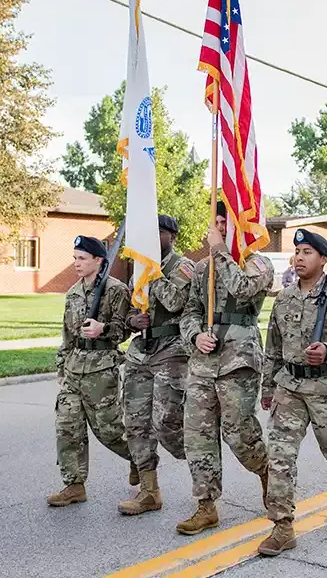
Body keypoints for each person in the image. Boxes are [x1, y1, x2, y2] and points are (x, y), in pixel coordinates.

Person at [258, 229, 327, 556]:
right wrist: (268, 387)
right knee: (279, 457)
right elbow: (273, 349)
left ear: (323, 259)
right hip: (289, 387)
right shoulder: (284, 298)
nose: (300, 257)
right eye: (297, 252)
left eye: (308, 252)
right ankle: (282, 527)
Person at [177, 201, 274, 535]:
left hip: (239, 360)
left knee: (239, 434)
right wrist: (194, 336)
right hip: (204, 362)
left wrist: (220, 251)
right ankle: (206, 505)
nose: (217, 228)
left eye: (225, 222)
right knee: (198, 436)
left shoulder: (258, 263)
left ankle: (266, 471)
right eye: (215, 222)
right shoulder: (202, 269)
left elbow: (242, 289)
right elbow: (189, 311)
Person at [47, 235, 134, 507]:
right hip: (74, 368)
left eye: (82, 258)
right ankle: (74, 485)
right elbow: (67, 335)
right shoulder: (73, 293)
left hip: (102, 367)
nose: (76, 263)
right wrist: (61, 367)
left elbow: (125, 329)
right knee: (67, 427)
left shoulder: (115, 290)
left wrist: (102, 329)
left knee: (109, 431)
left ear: (99, 260)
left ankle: (140, 459)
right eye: (75, 258)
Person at [119, 215, 195, 516]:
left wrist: (152, 272)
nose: (152, 238)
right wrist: (132, 321)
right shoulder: (139, 266)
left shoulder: (184, 266)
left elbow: (175, 302)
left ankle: (204, 460)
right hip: (141, 351)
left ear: (172, 237)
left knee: (168, 424)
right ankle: (149, 492)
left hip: (172, 350)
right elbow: (127, 311)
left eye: (159, 233)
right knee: (135, 423)